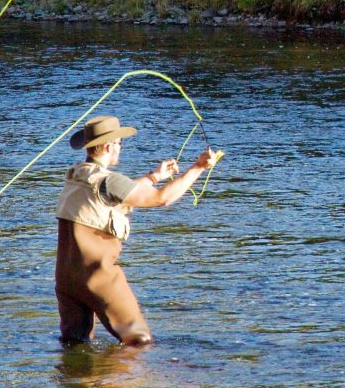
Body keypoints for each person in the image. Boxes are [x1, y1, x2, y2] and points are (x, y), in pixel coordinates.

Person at [55, 114, 221, 346]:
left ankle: (79, 382)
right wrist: (198, 167)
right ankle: (122, 381)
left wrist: (155, 176)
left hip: (66, 280)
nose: (121, 148)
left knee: (75, 344)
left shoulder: (78, 175)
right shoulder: (109, 180)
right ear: (109, 146)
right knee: (139, 340)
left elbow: (113, 194)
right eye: (120, 143)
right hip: (97, 276)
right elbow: (162, 199)